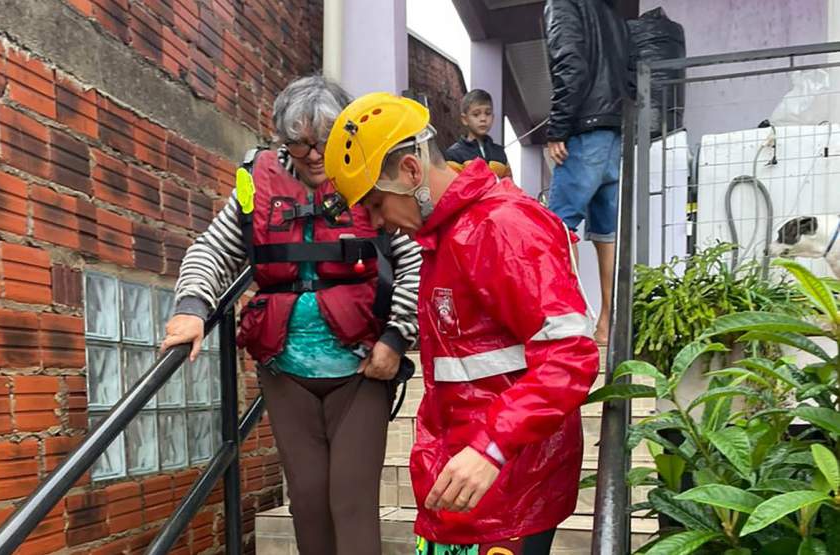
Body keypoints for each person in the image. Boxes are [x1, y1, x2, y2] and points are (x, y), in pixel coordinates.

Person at [324, 92, 599, 555]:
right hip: (470, 485)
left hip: (507, 489)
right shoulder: (449, 236)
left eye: (375, 203)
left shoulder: (502, 227)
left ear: (411, 172)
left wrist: (491, 446)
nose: (377, 222)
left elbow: (570, 356)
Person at [159, 76, 422, 555]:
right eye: (299, 144)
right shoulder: (256, 183)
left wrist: (396, 338)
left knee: (351, 501)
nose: (315, 155)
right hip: (285, 370)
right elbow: (213, 250)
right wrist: (193, 307)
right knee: (306, 501)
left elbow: (416, 260)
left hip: (361, 368)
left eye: (324, 141)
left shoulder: (368, 179)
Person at [544, 0, 631, 345]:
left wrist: (558, 129)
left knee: (558, 230)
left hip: (583, 131)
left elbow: (571, 64)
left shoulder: (562, 4)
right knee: (606, 234)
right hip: (614, 130)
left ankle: (574, 321)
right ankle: (607, 324)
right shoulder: (611, 12)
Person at [445, 89, 512, 179]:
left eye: (488, 113)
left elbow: (509, 187)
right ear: (464, 119)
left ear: (493, 116)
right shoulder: (455, 154)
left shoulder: (499, 152)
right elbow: (453, 188)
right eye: (476, 114)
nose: (483, 118)